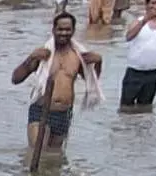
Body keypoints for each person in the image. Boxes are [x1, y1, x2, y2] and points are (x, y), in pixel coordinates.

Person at [11, 12, 104, 150]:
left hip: (63, 113)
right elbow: (16, 79)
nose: (64, 33)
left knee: (54, 158)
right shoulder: (44, 54)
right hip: (41, 110)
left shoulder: (78, 56)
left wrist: (98, 63)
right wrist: (30, 58)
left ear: (73, 31)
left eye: (67, 30)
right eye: (60, 29)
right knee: (37, 153)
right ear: (53, 30)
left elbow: (91, 82)